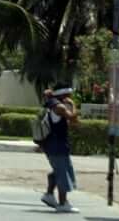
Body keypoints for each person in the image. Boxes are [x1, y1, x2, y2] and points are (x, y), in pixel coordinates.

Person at [40, 84, 80, 213]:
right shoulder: (59, 107)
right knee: (62, 173)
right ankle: (62, 203)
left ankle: (49, 195)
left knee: (60, 170)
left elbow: (73, 123)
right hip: (56, 145)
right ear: (63, 95)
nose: (70, 97)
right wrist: (73, 105)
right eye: (68, 95)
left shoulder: (53, 104)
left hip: (56, 144)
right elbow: (73, 117)